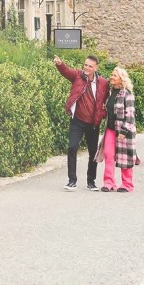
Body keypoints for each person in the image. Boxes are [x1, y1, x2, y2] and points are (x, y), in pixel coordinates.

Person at [54, 55, 109, 191]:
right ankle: (72, 181)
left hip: (93, 123)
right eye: (85, 65)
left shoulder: (103, 83)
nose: (86, 68)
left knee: (93, 152)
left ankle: (91, 181)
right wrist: (60, 64)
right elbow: (66, 71)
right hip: (77, 121)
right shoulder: (78, 76)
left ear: (96, 68)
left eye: (90, 66)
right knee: (72, 148)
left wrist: (103, 112)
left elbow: (106, 99)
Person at [101, 66, 137, 192]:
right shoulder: (110, 92)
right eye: (111, 75)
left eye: (114, 75)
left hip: (124, 131)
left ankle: (127, 184)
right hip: (110, 128)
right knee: (108, 154)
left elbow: (130, 115)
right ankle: (109, 183)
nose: (111, 77)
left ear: (121, 79)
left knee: (124, 156)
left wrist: (124, 131)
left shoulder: (127, 94)